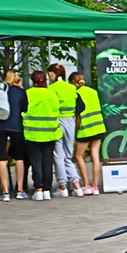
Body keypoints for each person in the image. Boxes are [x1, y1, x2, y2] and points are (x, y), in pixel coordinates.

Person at [24, 71, 62, 201]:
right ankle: (47, 189)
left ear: (32, 81)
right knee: (47, 162)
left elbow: (22, 110)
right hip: (50, 132)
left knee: (36, 162)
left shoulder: (28, 94)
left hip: (32, 133)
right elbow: (57, 110)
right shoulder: (52, 94)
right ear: (45, 80)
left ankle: (38, 189)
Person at [47, 63, 83, 197]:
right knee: (68, 156)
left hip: (57, 122)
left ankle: (63, 187)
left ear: (51, 73)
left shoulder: (51, 88)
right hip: (70, 121)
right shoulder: (72, 88)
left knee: (58, 156)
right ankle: (77, 186)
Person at [0, 71, 29, 201]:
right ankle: (19, 190)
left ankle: (5, 192)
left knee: (2, 158)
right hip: (16, 126)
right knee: (19, 158)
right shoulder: (20, 92)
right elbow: (24, 109)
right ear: (17, 80)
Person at [71, 72, 105, 194]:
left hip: (86, 129)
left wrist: (76, 130)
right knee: (95, 156)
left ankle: (86, 185)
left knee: (78, 156)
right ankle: (95, 187)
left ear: (73, 82)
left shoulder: (77, 94)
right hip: (98, 127)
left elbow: (79, 114)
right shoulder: (93, 91)